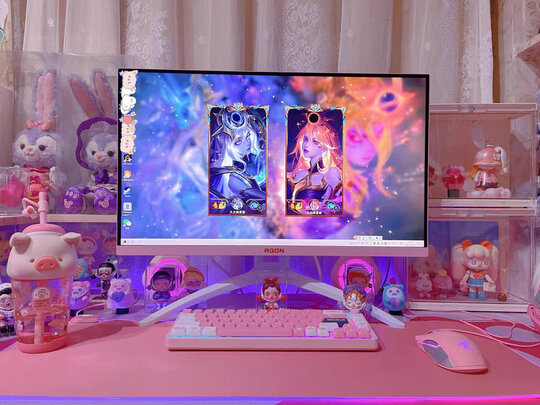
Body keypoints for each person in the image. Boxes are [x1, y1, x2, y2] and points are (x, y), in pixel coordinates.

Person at [288, 114, 343, 204]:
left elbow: (339, 205)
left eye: (314, 141)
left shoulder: (330, 174)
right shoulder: (299, 174)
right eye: (306, 139)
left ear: (325, 147)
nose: (306, 145)